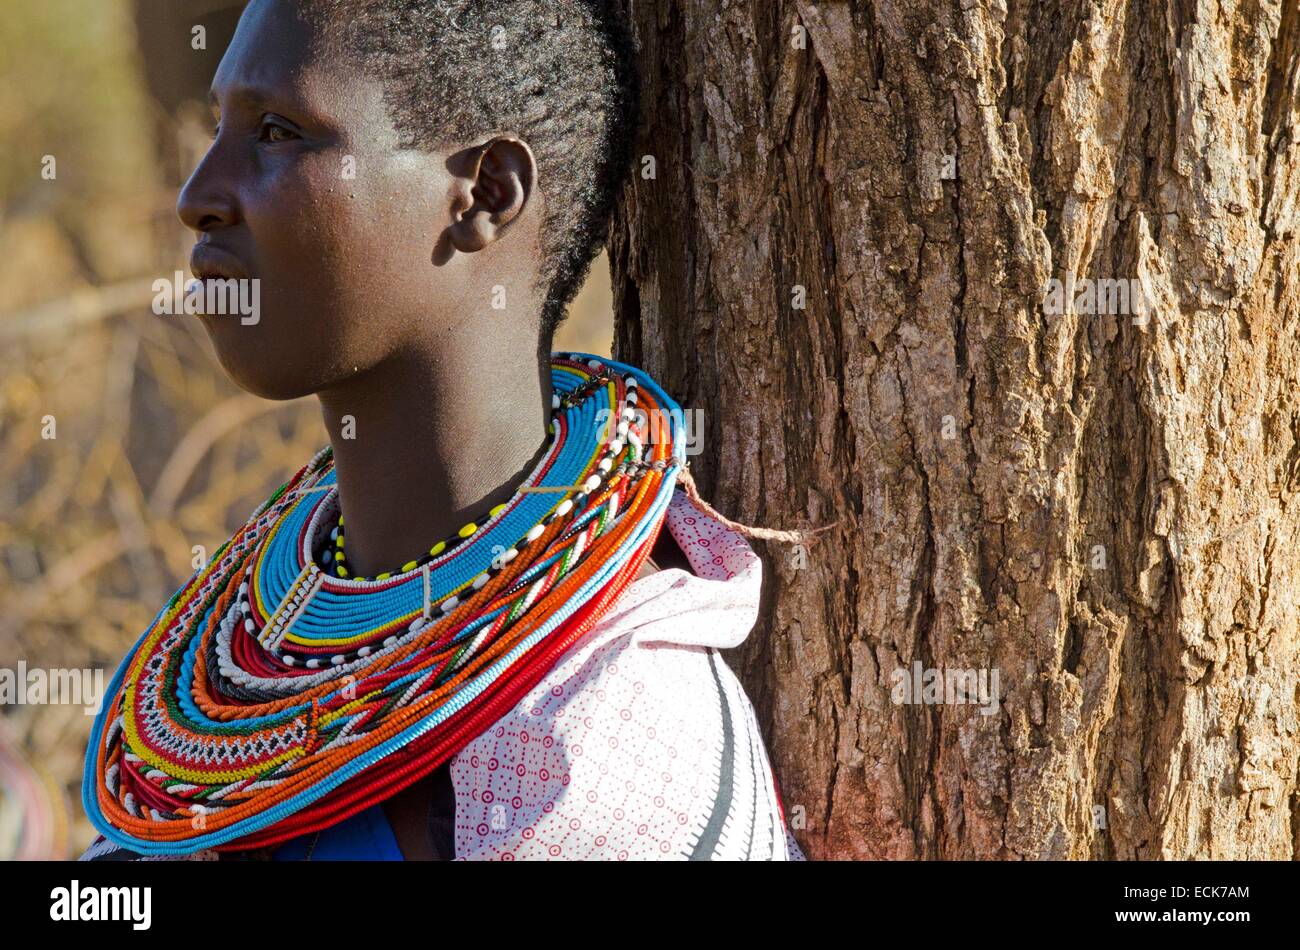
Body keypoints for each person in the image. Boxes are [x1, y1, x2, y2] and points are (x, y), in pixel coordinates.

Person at [80, 0, 804, 861]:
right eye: (219, 130)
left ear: (484, 195)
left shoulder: (602, 757)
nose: (198, 197)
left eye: (277, 132)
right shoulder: (221, 679)